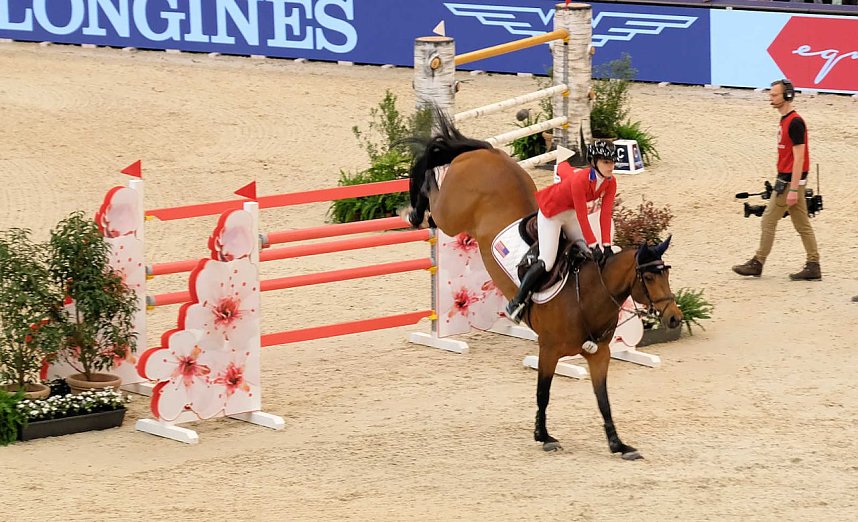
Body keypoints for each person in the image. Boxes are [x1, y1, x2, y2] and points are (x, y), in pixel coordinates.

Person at [505, 141, 618, 323]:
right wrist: (594, 244)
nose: (611, 167)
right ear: (594, 162)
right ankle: (517, 302)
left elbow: (606, 214)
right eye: (606, 162)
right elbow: (583, 215)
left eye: (612, 162)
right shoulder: (581, 180)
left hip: (570, 214)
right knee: (547, 262)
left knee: (588, 254)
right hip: (552, 214)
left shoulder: (610, 183)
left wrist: (606, 245)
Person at [733, 79, 821, 281]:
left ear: (787, 96)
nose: (771, 98)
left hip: (789, 182)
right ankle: (813, 264)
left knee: (768, 220)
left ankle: (758, 262)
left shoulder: (794, 122)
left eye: (775, 95)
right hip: (789, 180)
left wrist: (792, 190)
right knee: (802, 225)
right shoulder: (787, 120)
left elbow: (800, 157)